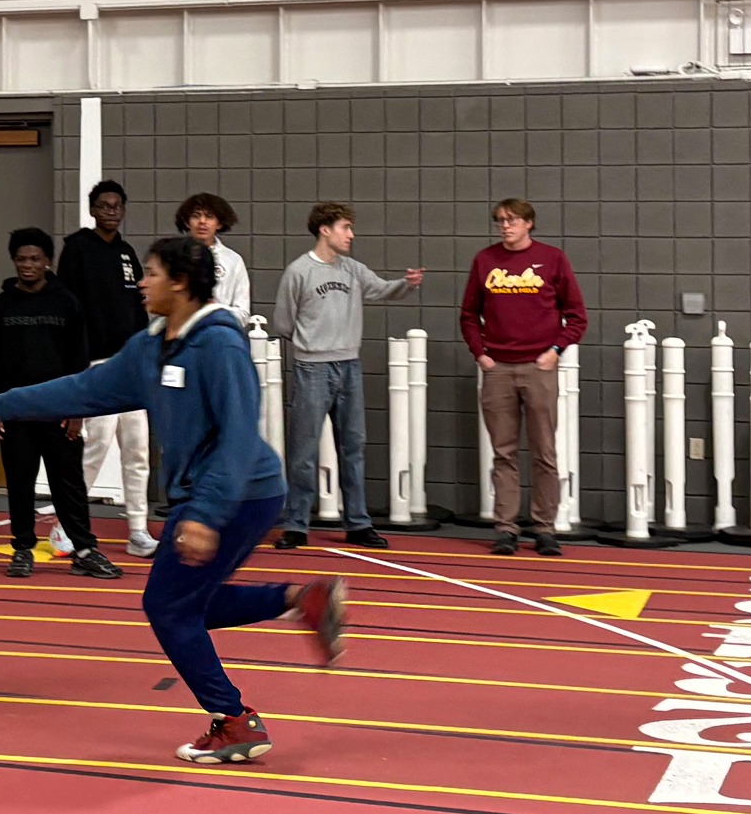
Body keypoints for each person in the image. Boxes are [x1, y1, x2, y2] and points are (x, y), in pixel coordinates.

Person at [0, 236, 347, 765]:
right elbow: (85, 389)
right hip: (212, 493)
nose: (140, 283)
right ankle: (301, 599)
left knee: (167, 607)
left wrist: (206, 516)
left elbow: (238, 435)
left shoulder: (220, 344)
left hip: (240, 492)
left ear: (181, 283)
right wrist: (3, 403)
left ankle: (233, 720)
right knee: (186, 604)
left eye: (150, 273)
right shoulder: (150, 347)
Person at [271, 204, 423, 550]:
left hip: (349, 366)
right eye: (345, 227)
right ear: (324, 230)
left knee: (353, 447)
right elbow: (283, 322)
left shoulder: (353, 269)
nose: (351, 235)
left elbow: (382, 289)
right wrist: (312, 345)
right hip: (312, 368)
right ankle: (296, 524)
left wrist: (407, 284)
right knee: (304, 451)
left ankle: (358, 523)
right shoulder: (299, 271)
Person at [0, 228, 121, 581]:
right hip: (15, 413)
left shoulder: (67, 303)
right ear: (14, 261)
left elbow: (79, 362)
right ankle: (22, 549)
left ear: (48, 261)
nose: (28, 265)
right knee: (20, 483)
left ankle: (84, 550)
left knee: (68, 484)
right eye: (21, 259)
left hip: (60, 414)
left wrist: (77, 410)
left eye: (35, 259)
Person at [458, 198, 588, 558]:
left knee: (544, 451)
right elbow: (468, 315)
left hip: (539, 367)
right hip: (498, 368)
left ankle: (545, 528)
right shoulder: (485, 260)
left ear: (529, 223)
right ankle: (506, 528)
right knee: (504, 453)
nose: (505, 226)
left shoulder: (552, 259)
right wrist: (481, 354)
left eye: (512, 220)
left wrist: (555, 351)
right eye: (500, 220)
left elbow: (577, 315)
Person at [59, 180, 157, 559]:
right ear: (92, 210)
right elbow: (69, 309)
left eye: (117, 206)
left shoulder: (128, 254)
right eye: (104, 206)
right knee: (95, 446)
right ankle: (67, 526)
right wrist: (76, 364)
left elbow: (138, 309)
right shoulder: (77, 249)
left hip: (130, 367)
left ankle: (138, 531)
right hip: (96, 364)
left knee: (137, 450)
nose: (111, 212)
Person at [176, 192, 251, 319]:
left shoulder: (233, 260)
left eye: (209, 216)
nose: (202, 221)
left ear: (219, 223)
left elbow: (243, 312)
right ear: (187, 222)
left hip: (220, 327)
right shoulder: (174, 256)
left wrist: (215, 313)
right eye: (196, 216)